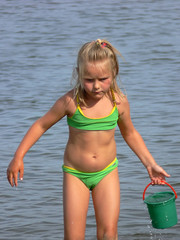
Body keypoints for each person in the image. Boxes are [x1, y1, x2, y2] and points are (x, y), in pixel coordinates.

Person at [7, 39, 170, 240]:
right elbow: (41, 125)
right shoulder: (70, 102)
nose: (95, 86)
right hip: (75, 175)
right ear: (78, 73)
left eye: (102, 79)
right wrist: (18, 156)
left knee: (108, 233)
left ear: (114, 72)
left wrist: (150, 164)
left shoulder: (119, 102)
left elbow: (130, 134)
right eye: (89, 79)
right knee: (73, 236)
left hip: (107, 172)